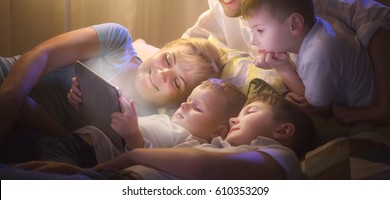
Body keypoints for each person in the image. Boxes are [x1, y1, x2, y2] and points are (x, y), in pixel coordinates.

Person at [182, 0, 390, 125]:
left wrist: (382, 106)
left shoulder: (305, 7)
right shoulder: (222, 6)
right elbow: (186, 45)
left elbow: (380, 18)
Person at [0, 23, 226, 147]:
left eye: (177, 82)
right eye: (167, 59)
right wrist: (11, 98)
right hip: (8, 81)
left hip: (30, 127)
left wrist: (30, 112)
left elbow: (78, 143)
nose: (162, 74)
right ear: (164, 49)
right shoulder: (118, 42)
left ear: (179, 101)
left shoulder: (146, 124)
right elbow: (42, 55)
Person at [0, 92, 317, 180]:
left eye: (248, 113)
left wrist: (135, 153)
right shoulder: (221, 147)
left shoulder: (281, 158)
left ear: (282, 131)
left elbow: (201, 168)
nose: (236, 117)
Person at [241, 0, 375, 118]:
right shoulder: (315, 29)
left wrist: (282, 68)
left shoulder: (318, 54)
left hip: (365, 104)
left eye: (260, 30)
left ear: (295, 24)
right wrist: (283, 65)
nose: (253, 40)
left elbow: (318, 108)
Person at [40, 78, 246, 167]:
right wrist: (84, 102)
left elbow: (153, 160)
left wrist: (133, 136)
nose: (184, 106)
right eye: (187, 101)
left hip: (86, 155)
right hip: (71, 140)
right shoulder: (164, 118)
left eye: (197, 108)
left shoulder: (192, 144)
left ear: (218, 132)